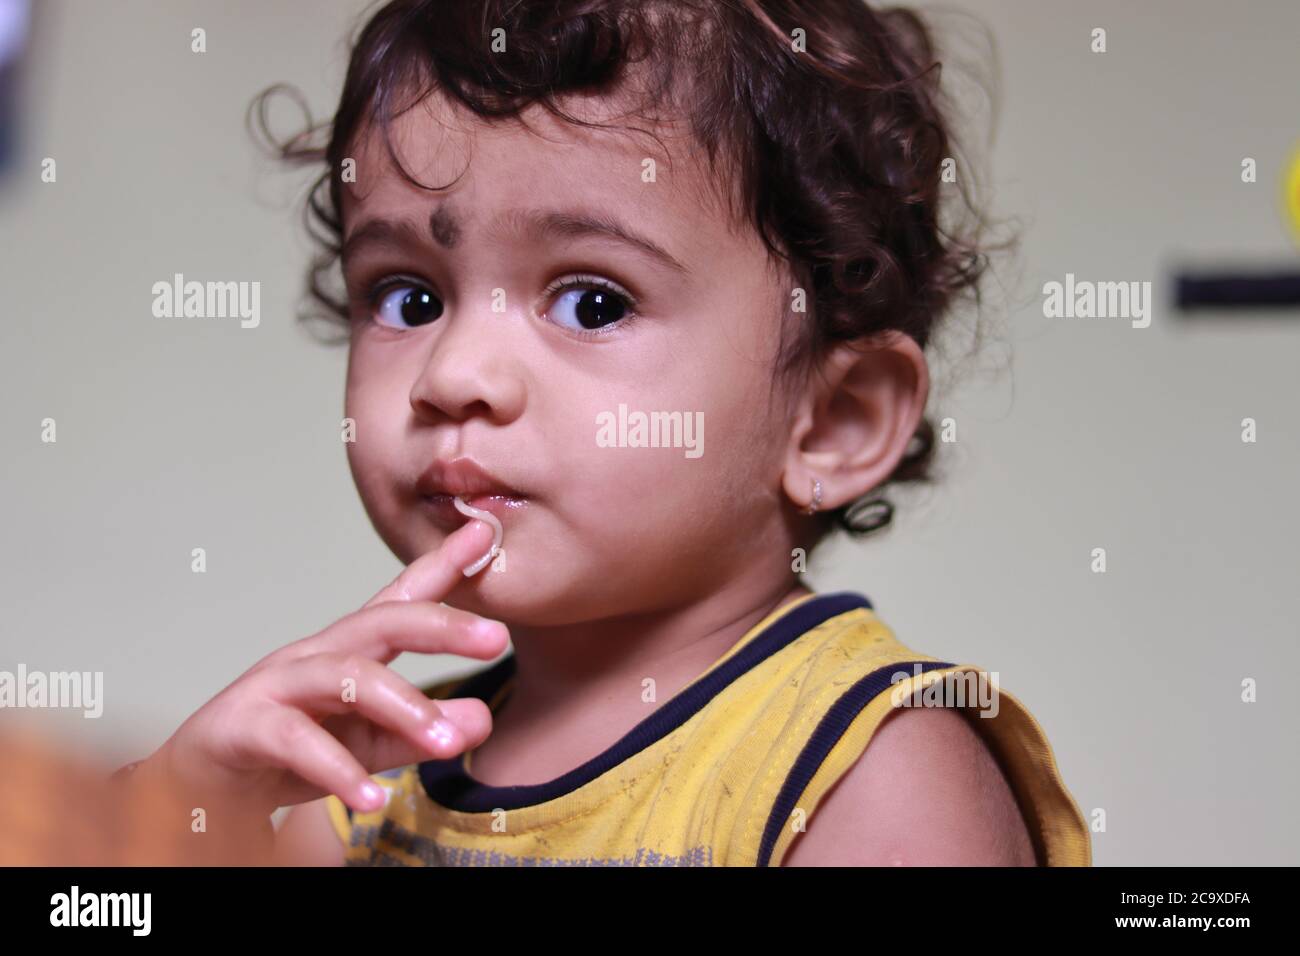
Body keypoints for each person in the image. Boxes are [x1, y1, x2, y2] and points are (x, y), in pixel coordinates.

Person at [126, 0, 1090, 866]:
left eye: (592, 302)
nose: (452, 375)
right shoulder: (363, 794)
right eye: (410, 296)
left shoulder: (864, 768)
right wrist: (176, 818)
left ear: (833, 421)